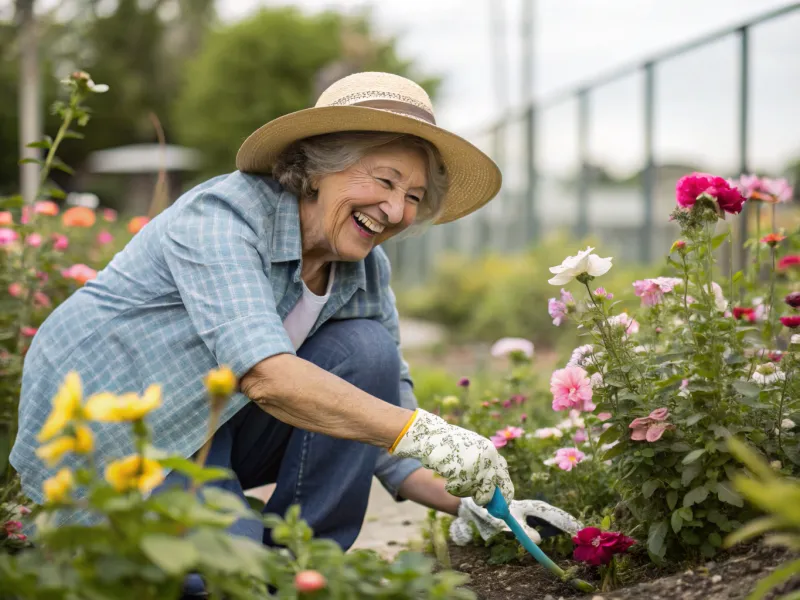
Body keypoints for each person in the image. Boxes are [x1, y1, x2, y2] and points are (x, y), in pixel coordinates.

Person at [11, 72, 581, 596]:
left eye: (412, 196)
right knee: (222, 570)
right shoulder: (223, 217)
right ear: (315, 168)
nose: (396, 209)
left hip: (214, 425)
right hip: (117, 436)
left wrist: (473, 503)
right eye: (384, 180)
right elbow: (266, 376)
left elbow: (387, 413)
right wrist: (425, 433)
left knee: (367, 351)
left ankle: (304, 564)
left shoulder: (361, 264)